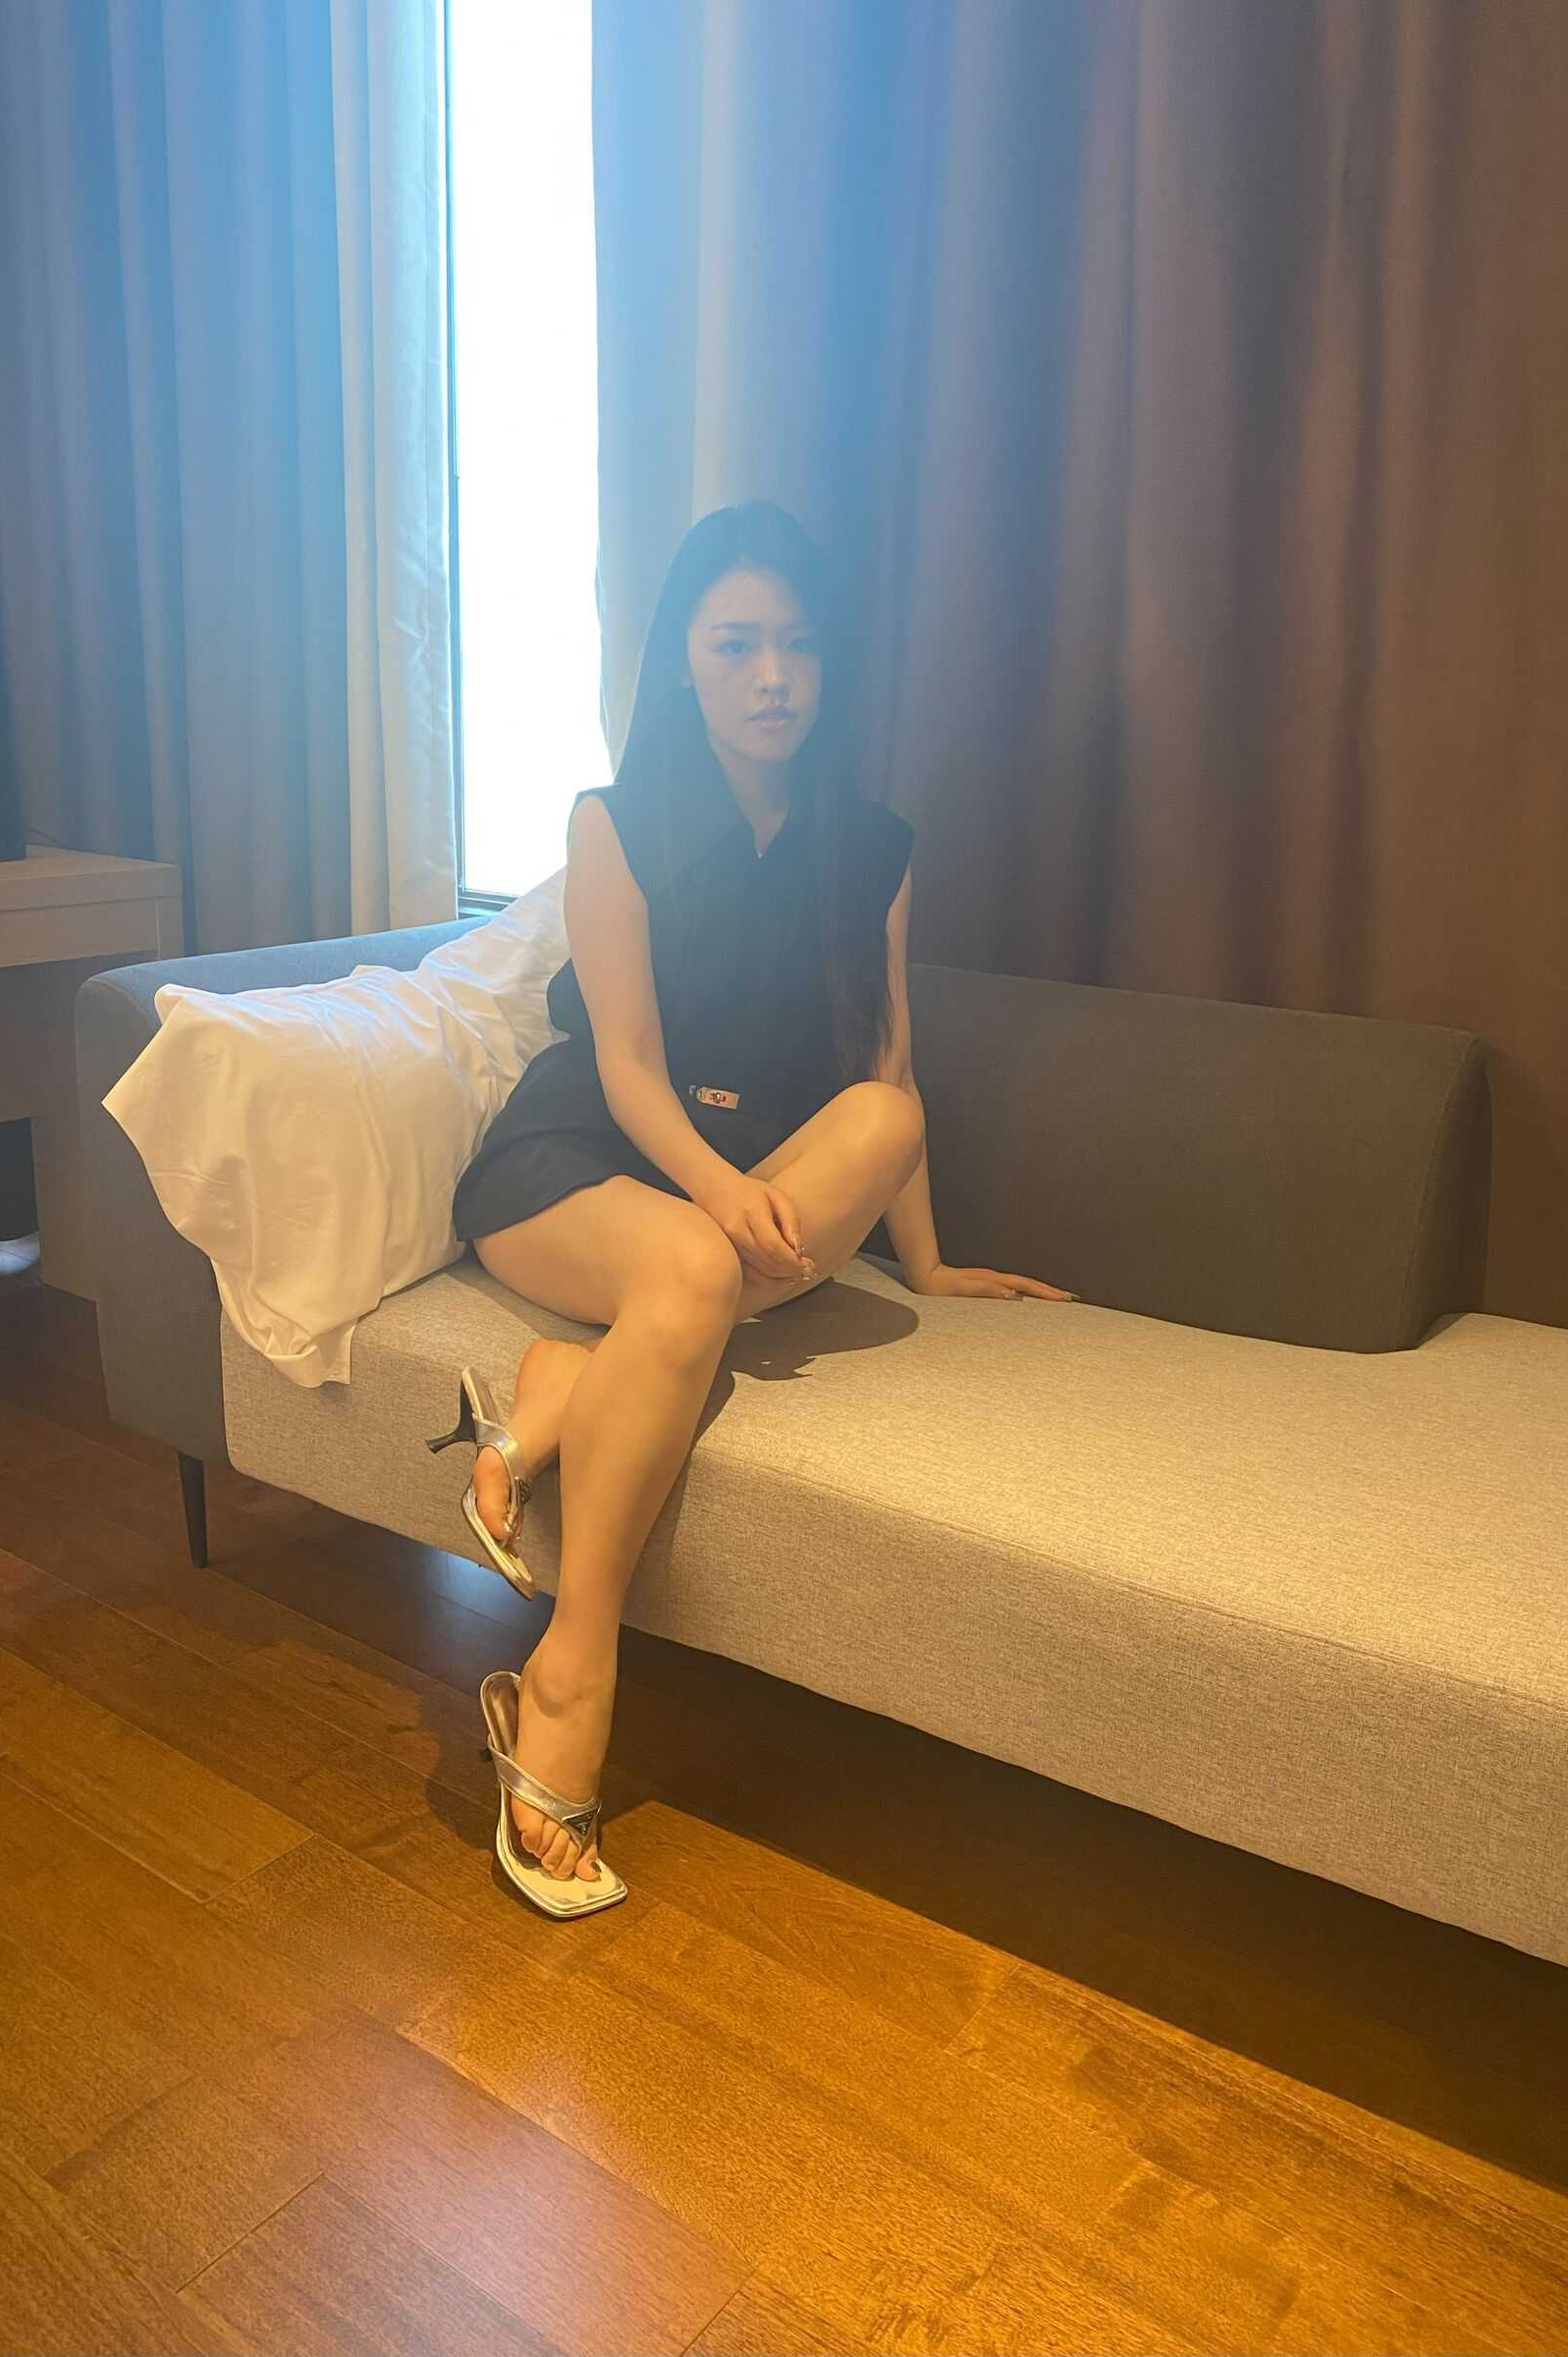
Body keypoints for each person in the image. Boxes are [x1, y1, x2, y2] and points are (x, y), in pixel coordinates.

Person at [438, 500, 1073, 1916]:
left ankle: (568, 1384)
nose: (774, 677)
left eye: (798, 645)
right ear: (683, 659)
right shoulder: (614, 824)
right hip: (575, 1165)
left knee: (885, 1123)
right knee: (689, 1264)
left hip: (735, 1197)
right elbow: (626, 1067)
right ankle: (569, 1673)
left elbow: (886, 1069)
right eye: (737, 645)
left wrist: (928, 1264)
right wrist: (723, 1194)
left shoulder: (874, 846)